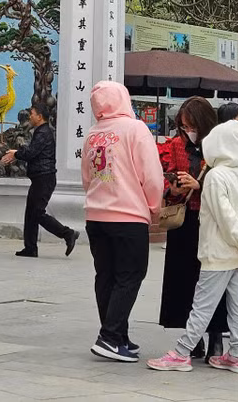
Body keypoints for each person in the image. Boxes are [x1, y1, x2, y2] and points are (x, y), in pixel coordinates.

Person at [147, 119, 238, 374]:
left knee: (202, 305)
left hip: (219, 253)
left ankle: (182, 352)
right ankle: (236, 354)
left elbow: (225, 218)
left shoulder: (215, 176)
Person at [82, 80, 164, 362]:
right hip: (128, 216)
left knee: (106, 276)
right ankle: (108, 336)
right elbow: (152, 174)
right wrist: (154, 206)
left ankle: (118, 336)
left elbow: (87, 177)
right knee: (130, 275)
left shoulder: (93, 134)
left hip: (96, 215)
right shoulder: (135, 129)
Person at [157, 96, 223, 359]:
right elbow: (168, 175)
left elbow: (229, 182)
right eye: (183, 126)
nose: (187, 131)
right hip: (185, 222)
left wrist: (200, 185)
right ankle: (192, 338)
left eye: (191, 125)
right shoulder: (174, 145)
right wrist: (172, 188)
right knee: (184, 281)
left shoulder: (218, 147)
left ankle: (216, 335)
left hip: (212, 221)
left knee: (213, 280)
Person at [0, 100, 79, 257]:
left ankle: (67, 233)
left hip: (45, 178)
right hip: (39, 177)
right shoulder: (40, 131)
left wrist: (15, 154)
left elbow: (31, 153)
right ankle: (30, 248)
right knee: (30, 213)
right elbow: (33, 151)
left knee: (37, 213)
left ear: (40, 116)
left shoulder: (43, 132)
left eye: (32, 114)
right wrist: (17, 152)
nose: (30, 116)